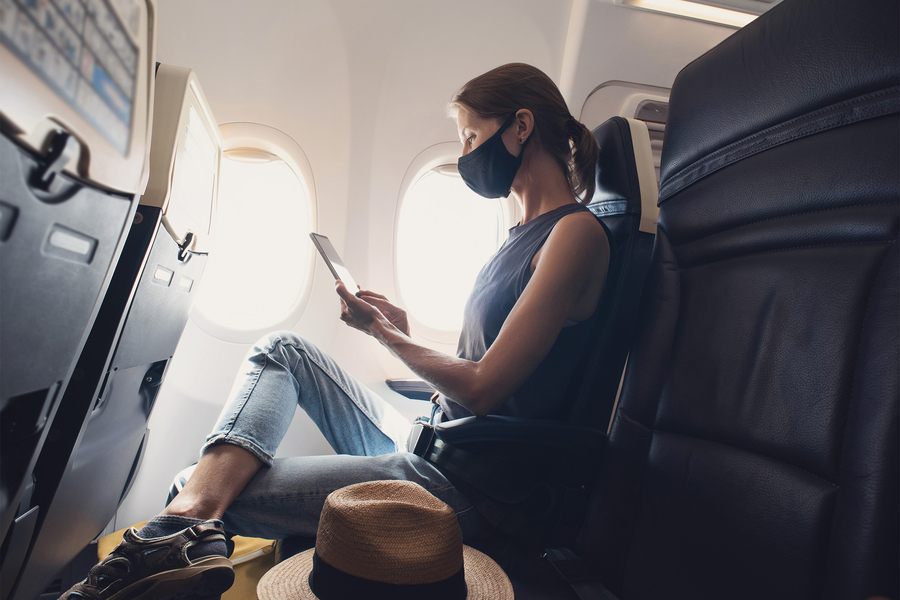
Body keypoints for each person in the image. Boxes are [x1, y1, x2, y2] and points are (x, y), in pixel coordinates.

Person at [60, 62, 609, 600]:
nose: (465, 155)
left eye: (470, 137)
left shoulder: (574, 233)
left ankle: (178, 528)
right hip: (434, 438)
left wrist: (384, 335)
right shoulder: (520, 230)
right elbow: (486, 360)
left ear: (520, 125)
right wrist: (403, 328)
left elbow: (484, 387)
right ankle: (184, 528)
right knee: (284, 349)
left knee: (198, 488)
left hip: (468, 484)